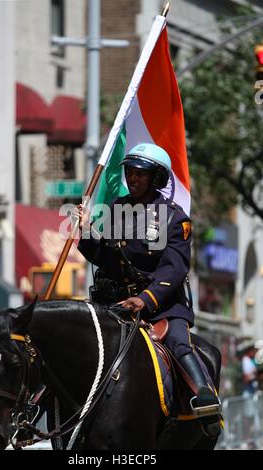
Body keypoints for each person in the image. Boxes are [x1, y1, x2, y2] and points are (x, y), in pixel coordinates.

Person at [77, 142, 221, 436]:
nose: (133, 177)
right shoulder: (118, 209)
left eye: (140, 173)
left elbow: (174, 268)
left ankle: (205, 399)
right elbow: (107, 258)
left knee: (180, 344)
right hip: (118, 304)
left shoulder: (175, 217)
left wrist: (145, 299)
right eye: (129, 171)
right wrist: (85, 231)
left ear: (156, 177)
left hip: (163, 305)